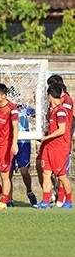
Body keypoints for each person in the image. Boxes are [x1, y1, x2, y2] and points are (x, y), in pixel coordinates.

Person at [35, 75, 73, 207]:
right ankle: (45, 201)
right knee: (46, 172)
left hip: (59, 147)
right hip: (49, 147)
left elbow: (62, 130)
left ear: (50, 95)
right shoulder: (53, 110)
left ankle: (68, 200)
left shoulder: (61, 110)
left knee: (61, 175)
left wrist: (46, 137)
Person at [6, 87, 37, 207]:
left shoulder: (24, 108)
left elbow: (37, 114)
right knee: (8, 172)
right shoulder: (6, 110)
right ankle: (9, 198)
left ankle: (29, 191)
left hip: (24, 143)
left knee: (24, 170)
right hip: (9, 143)